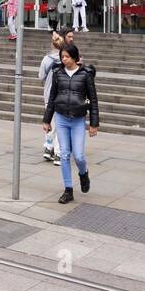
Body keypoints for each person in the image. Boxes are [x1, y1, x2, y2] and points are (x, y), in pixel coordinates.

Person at [42, 42, 100, 205]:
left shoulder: (85, 74)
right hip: (61, 118)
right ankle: (68, 190)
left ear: (74, 57)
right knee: (65, 154)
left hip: (78, 120)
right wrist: (47, 120)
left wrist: (94, 123)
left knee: (80, 156)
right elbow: (52, 98)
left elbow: (93, 99)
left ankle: (84, 173)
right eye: (62, 57)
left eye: (67, 57)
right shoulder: (58, 73)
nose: (64, 59)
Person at [38, 32, 63, 165]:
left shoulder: (46, 59)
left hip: (48, 95)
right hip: (62, 96)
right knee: (59, 125)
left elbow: (41, 76)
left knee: (50, 123)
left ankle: (48, 147)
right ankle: (58, 153)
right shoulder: (66, 59)